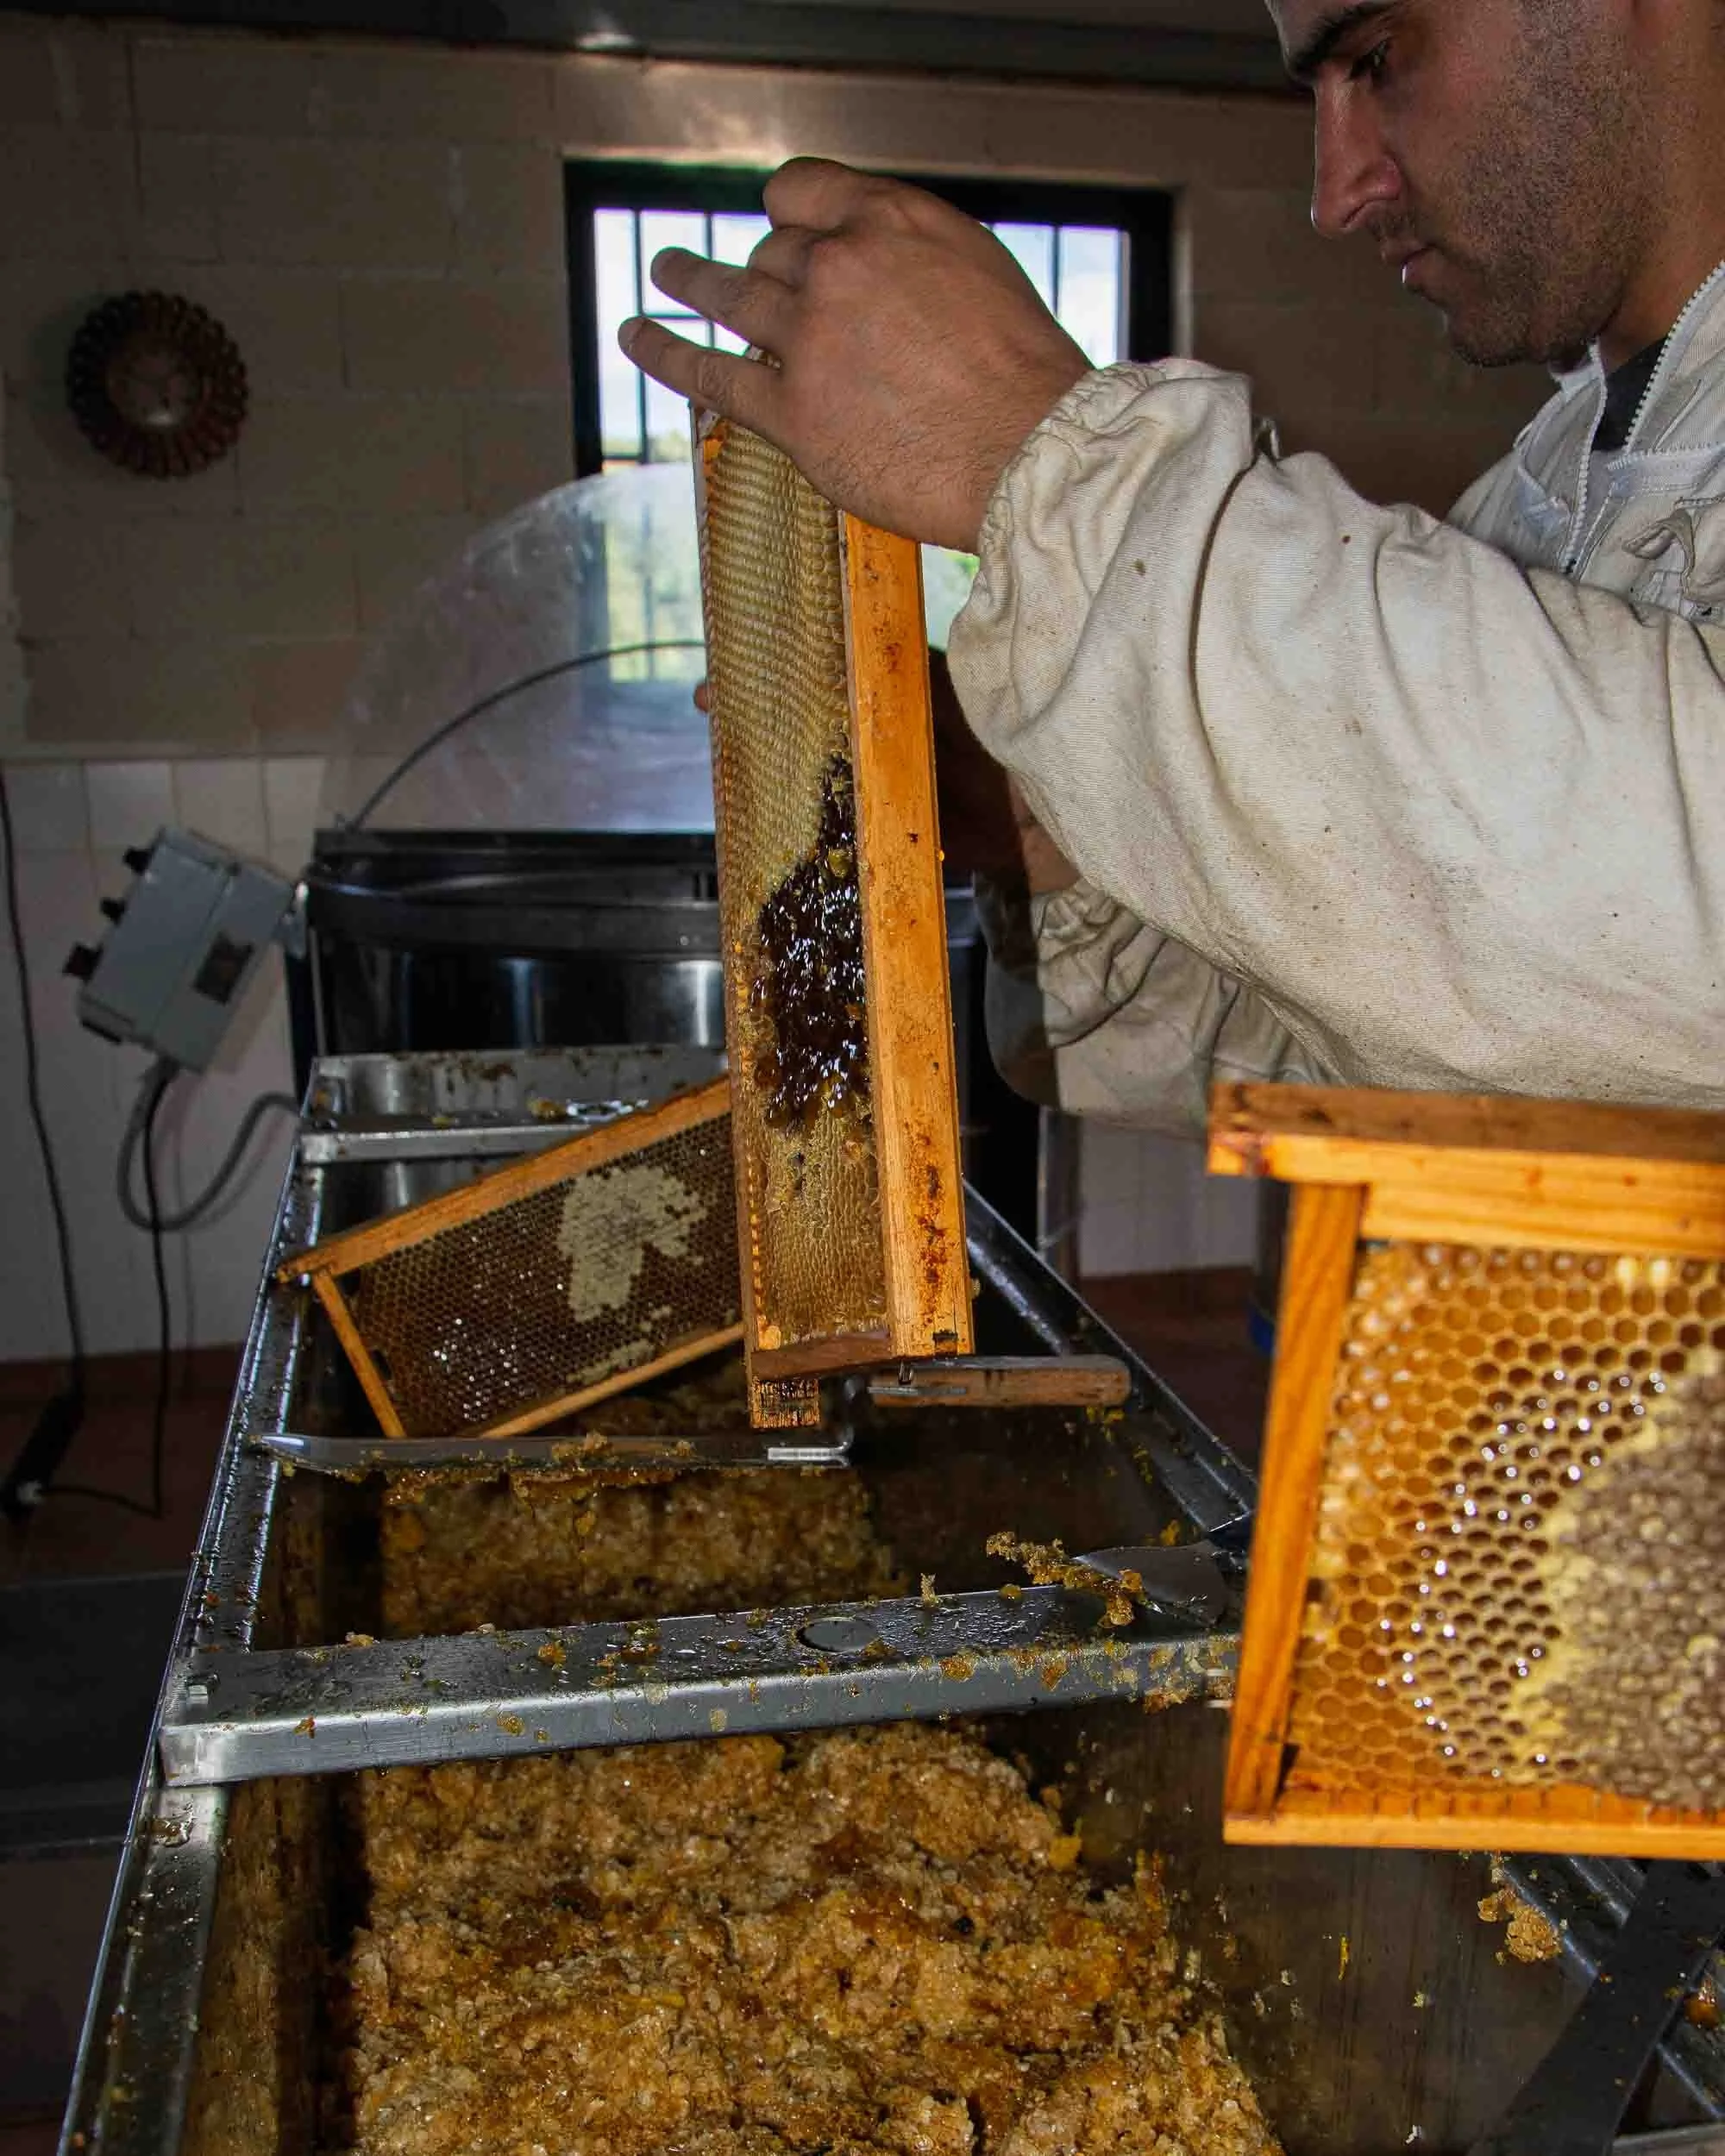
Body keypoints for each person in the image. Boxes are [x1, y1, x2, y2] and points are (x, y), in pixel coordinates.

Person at [620, 0, 1725, 1132]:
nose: (1334, 192)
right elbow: (1387, 1066)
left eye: (1378, 58)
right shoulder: (1545, 501)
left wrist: (1039, 459)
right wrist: (1046, 832)